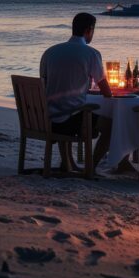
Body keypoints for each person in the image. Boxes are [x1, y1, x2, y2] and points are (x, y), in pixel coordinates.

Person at [39, 12, 113, 169]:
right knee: (111, 124)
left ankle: (68, 162)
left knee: (65, 104)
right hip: (70, 122)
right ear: (89, 30)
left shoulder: (50, 52)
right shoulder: (91, 53)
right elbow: (106, 91)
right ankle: (91, 166)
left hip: (47, 119)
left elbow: (45, 84)